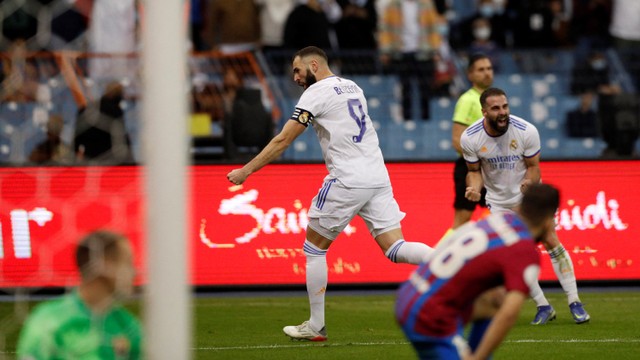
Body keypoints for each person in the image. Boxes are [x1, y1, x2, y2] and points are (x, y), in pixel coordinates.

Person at [227, 46, 434, 341]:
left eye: (298, 71)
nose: (296, 78)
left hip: (347, 179)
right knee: (394, 248)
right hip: (377, 175)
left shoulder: (315, 93)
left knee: (314, 249)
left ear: (314, 64)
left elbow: (284, 139)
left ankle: (316, 325)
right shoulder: (352, 86)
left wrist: (246, 170)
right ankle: (456, 262)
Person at [461, 87, 590, 325]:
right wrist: (474, 188)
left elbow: (533, 166)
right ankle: (543, 306)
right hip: (499, 202)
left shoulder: (526, 130)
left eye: (505, 106)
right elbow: (473, 172)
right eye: (496, 108)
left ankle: (575, 302)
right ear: (484, 111)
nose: (503, 113)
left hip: (529, 199)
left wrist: (529, 182)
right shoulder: (470, 137)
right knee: (514, 255)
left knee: (551, 240)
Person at [396, 183, 560, 359]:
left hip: (410, 293)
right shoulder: (524, 250)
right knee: (499, 303)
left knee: (494, 300)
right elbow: (509, 314)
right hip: (429, 316)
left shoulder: (498, 220)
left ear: (520, 207)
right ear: (548, 221)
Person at [17, 230, 142, 359]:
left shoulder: (127, 324)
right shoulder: (50, 320)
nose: (134, 272)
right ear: (101, 263)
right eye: (127, 262)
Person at [441, 54, 494, 240]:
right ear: (470, 75)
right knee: (462, 223)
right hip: (469, 167)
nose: (487, 73)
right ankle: (438, 260)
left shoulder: (492, 100)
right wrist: (478, 161)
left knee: (500, 216)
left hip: (493, 168)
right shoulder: (468, 100)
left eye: (489, 68)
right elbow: (457, 140)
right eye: (481, 70)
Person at [378, 0, 443, 121]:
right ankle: (406, 120)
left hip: (424, 52)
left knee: (425, 89)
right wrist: (386, 50)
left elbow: (433, 27)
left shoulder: (426, 4)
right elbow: (385, 28)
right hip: (401, 52)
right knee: (405, 89)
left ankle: (426, 119)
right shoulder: (393, 5)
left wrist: (435, 50)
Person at [74, 81, 134, 164]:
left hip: (90, 156)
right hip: (110, 159)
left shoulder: (87, 109)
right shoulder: (115, 111)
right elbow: (122, 136)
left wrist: (76, 152)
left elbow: (77, 137)